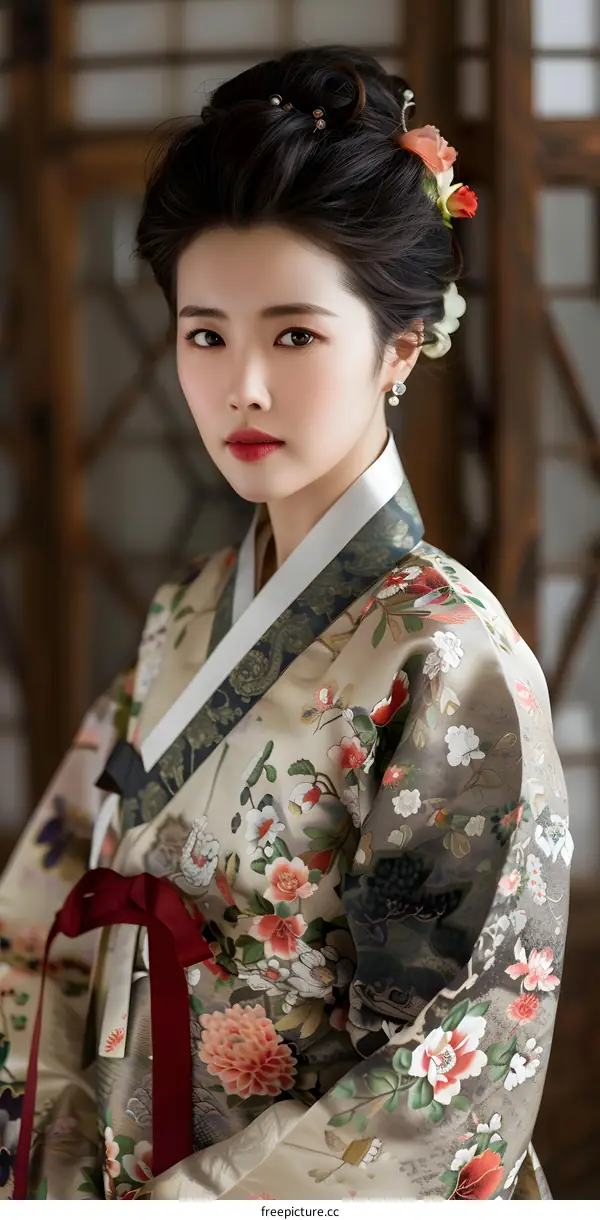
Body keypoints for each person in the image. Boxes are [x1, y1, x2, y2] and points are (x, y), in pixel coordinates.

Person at [0, 47, 570, 1201]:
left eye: (295, 335)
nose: (242, 384)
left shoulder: (445, 657)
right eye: (206, 333)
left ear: (398, 348)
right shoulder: (186, 614)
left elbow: (450, 1066)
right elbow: (45, 904)